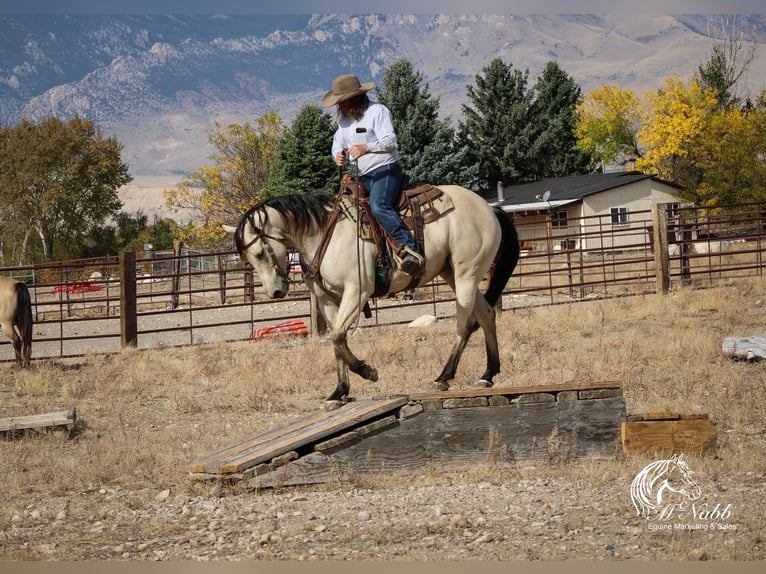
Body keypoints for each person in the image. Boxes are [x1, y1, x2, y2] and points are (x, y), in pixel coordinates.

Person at [323, 74, 424, 276]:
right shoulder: (344, 121)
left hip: (385, 169)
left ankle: (410, 250)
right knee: (340, 210)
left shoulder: (378, 112)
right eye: (339, 102)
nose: (341, 105)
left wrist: (366, 148)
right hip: (359, 175)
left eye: (344, 101)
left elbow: (391, 142)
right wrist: (337, 155)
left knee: (379, 206)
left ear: (356, 98)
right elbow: (337, 143)